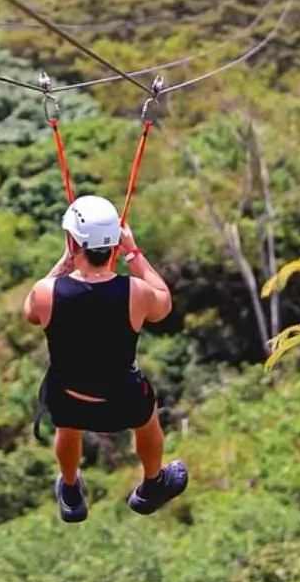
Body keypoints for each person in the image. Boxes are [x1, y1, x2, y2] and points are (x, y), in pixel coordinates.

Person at [23, 194, 188, 523]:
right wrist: (133, 252)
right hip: (121, 400)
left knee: (67, 426)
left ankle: (70, 489)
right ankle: (152, 483)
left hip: (69, 396)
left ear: (73, 241)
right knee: (148, 418)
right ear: (113, 242)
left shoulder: (46, 293)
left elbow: (30, 311)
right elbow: (164, 302)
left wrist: (66, 260)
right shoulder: (134, 292)